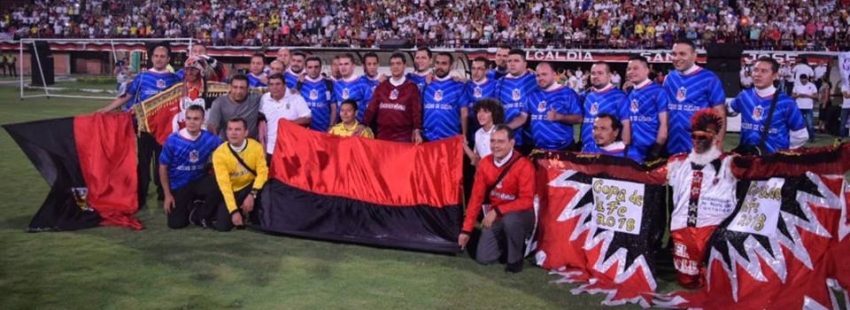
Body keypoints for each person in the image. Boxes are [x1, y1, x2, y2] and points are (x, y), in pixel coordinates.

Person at [96, 44, 181, 208]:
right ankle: (140, 196)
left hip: (166, 131)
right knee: (142, 163)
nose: (159, 59)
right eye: (156, 55)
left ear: (168, 59)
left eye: (163, 56)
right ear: (151, 58)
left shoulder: (175, 79)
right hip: (144, 129)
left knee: (163, 163)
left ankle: (163, 194)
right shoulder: (142, 78)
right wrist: (106, 109)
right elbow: (126, 96)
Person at [667, 109, 737, 289]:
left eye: (703, 138)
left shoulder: (730, 163)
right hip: (683, 228)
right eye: (694, 137)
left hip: (716, 229)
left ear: (715, 139)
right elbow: (646, 175)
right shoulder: (677, 162)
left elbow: (763, 171)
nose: (697, 142)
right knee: (687, 281)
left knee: (719, 284)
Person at [458, 125, 535, 273]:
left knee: (511, 221)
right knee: (483, 258)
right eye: (493, 141)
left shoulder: (524, 165)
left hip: (521, 215)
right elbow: (476, 198)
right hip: (497, 216)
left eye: (500, 141)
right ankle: (506, 244)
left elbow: (527, 200)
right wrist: (466, 230)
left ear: (511, 143)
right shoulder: (485, 163)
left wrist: (498, 211)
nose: (495, 146)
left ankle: (515, 260)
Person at [158, 105, 223, 229]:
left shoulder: (209, 138)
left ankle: (201, 212)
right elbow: (162, 167)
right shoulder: (173, 140)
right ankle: (192, 206)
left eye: (196, 119)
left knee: (220, 183)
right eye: (189, 118)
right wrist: (167, 195)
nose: (192, 122)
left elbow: (227, 152)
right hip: (179, 185)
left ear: (203, 120)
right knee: (176, 224)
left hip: (199, 181)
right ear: (185, 120)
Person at [729, 57, 808, 155]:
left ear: (775, 76)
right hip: (747, 160)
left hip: (774, 163)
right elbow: (729, 111)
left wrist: (783, 149)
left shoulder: (786, 102)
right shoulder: (744, 96)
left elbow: (801, 134)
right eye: (756, 70)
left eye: (764, 71)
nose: (758, 74)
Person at [664, 39, 727, 156]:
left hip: (699, 146)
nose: (677, 58)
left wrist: (718, 143)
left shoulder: (709, 78)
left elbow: (720, 113)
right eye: (674, 54)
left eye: (682, 54)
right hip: (671, 146)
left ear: (694, 56)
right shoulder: (669, 78)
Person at [209, 118, 268, 231]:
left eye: (237, 129)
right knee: (223, 226)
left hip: (251, 186)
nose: (233, 133)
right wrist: (234, 211)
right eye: (230, 129)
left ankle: (252, 211)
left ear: (246, 132)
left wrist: (252, 194)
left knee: (260, 220)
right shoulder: (219, 154)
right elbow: (225, 186)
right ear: (226, 132)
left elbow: (263, 173)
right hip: (233, 190)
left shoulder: (256, 147)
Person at [363, 52, 423, 143]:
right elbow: (372, 108)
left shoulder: (412, 87)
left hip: (403, 137)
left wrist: (417, 130)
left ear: (404, 65)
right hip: (382, 135)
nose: (395, 67)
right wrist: (363, 124)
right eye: (392, 64)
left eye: (398, 64)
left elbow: (416, 111)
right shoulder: (381, 86)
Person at [526, 62, 582, 151]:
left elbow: (579, 118)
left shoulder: (567, 93)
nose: (540, 78)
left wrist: (559, 117)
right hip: (538, 149)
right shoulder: (532, 95)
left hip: (563, 149)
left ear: (554, 75)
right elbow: (524, 117)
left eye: (544, 74)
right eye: (538, 75)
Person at [625, 56, 669, 163]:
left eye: (635, 68)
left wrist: (656, 149)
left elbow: (664, 124)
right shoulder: (630, 93)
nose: (631, 71)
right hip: (632, 151)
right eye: (629, 69)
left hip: (650, 151)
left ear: (647, 70)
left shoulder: (658, 91)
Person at [580, 62, 629, 153]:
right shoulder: (589, 96)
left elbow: (626, 125)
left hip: (608, 153)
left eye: (600, 73)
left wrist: (624, 151)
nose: (595, 76)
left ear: (609, 76)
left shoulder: (619, 97)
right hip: (587, 150)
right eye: (593, 73)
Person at [258, 73, 311, 158]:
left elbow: (308, 118)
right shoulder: (264, 98)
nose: (274, 87)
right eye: (271, 84)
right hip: (270, 149)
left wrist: (289, 124)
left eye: (278, 84)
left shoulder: (296, 98)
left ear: (284, 85)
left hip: (291, 148)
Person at [422, 52, 470, 141]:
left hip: (450, 138)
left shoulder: (459, 86)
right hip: (428, 138)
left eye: (444, 63)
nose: (440, 66)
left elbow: (464, 113)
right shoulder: (427, 85)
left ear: (451, 66)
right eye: (437, 63)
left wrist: (464, 135)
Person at [496, 49, 535, 149]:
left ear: (525, 64)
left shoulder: (534, 80)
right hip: (508, 138)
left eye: (516, 61)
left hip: (531, 138)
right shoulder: (500, 82)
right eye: (509, 61)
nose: (512, 64)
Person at [206, 74, 262, 140]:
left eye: (242, 88)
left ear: (247, 89)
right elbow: (212, 127)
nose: (238, 91)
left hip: (250, 145)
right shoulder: (219, 103)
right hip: (227, 145)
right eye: (235, 87)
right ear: (230, 87)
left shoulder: (255, 100)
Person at [297, 56, 337, 132]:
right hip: (305, 130)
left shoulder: (328, 83)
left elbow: (333, 108)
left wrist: (331, 125)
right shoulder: (299, 84)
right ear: (305, 68)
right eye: (310, 67)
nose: (313, 70)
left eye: (316, 67)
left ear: (320, 67)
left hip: (324, 129)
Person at [334, 53, 371, 122]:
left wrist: (364, 124)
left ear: (353, 66)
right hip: (340, 127)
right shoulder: (336, 84)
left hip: (358, 127)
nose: (343, 67)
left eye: (346, 64)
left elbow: (370, 107)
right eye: (340, 64)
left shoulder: (363, 83)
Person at [467, 99, 504, 166]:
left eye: (485, 112)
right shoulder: (478, 133)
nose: (481, 115)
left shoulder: (500, 133)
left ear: (494, 114)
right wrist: (464, 145)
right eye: (479, 111)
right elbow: (476, 159)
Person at [792, 74, 818, 142]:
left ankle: (812, 137)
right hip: (799, 107)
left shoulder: (812, 86)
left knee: (810, 124)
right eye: (802, 79)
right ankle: (801, 138)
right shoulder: (797, 86)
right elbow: (792, 96)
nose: (803, 81)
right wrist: (798, 95)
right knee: (800, 124)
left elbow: (815, 96)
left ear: (807, 79)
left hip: (808, 107)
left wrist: (807, 95)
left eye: (804, 79)